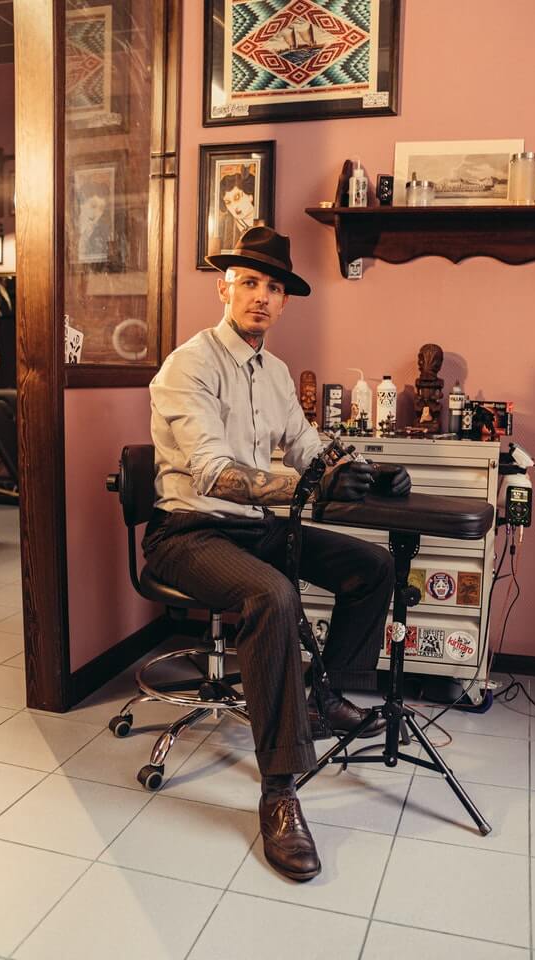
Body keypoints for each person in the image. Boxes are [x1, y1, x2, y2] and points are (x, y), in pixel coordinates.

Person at [143, 226, 410, 882]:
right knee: (273, 593)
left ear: (286, 300)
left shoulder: (277, 373)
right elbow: (211, 471)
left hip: (256, 527)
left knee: (371, 566)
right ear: (225, 287)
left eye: (275, 287)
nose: (262, 296)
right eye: (251, 282)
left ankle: (321, 697)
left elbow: (308, 446)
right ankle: (280, 791)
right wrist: (312, 483)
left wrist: (368, 470)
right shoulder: (191, 364)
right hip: (188, 532)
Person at [217, 167, 256, 251]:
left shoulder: (263, 221)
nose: (234, 207)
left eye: (237, 197)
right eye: (228, 202)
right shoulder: (224, 226)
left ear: (250, 195)